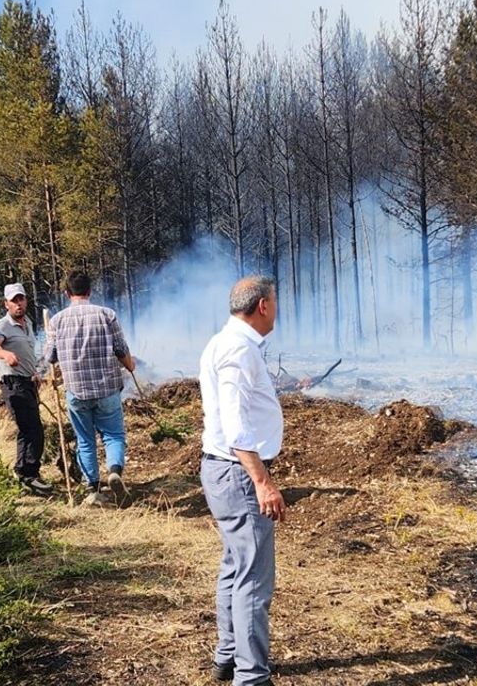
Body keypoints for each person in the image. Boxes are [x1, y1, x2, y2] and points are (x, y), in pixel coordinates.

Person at [198, 276, 286, 686]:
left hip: (223, 470)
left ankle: (229, 657)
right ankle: (251, 677)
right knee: (253, 579)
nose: (277, 309)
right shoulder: (238, 349)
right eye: (275, 301)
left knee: (235, 566)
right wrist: (262, 481)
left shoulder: (224, 342)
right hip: (238, 474)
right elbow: (235, 426)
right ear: (263, 305)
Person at [42, 271, 136, 506]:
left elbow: (50, 357)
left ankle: (93, 490)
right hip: (107, 389)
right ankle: (114, 471)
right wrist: (130, 365)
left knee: (85, 440)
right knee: (113, 435)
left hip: (76, 391)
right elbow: (120, 349)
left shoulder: (57, 321)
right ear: (90, 291)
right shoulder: (107, 315)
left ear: (67, 293)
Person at [0, 283, 53, 496]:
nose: (18, 304)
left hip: (28, 381)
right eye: (14, 300)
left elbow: (28, 353)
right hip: (12, 383)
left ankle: (23, 473)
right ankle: (30, 475)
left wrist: (34, 373)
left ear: (26, 300)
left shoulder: (29, 324)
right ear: (6, 304)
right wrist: (5, 355)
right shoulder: (2, 326)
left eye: (21, 299)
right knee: (33, 429)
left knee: (27, 430)